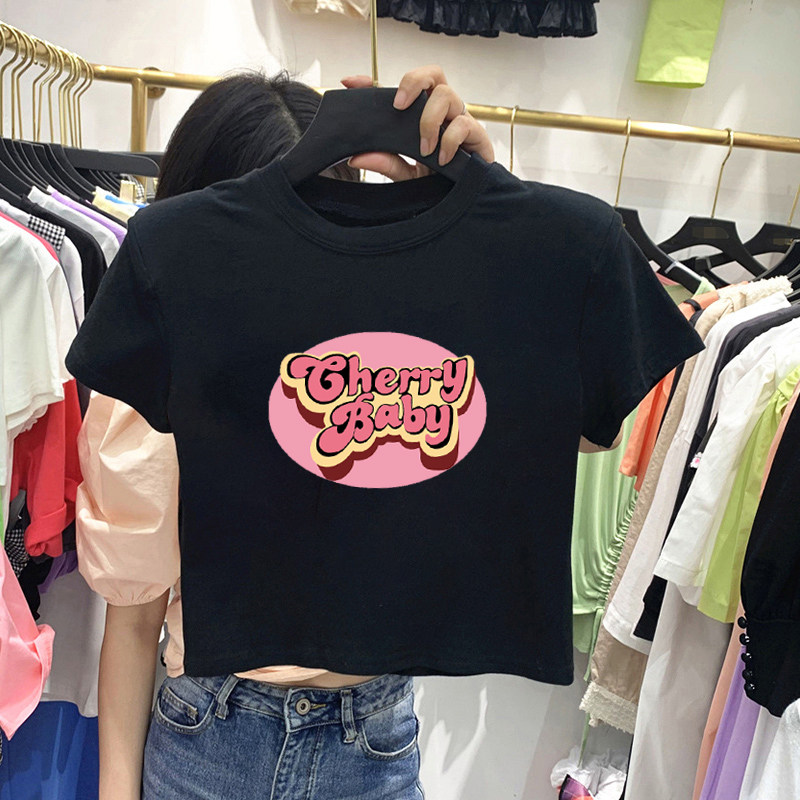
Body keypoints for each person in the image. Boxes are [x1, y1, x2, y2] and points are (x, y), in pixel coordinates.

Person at [77, 64, 620, 800]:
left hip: (373, 736)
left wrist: (490, 219)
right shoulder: (168, 343)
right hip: (213, 733)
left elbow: (578, 429)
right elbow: (134, 623)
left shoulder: (388, 344)